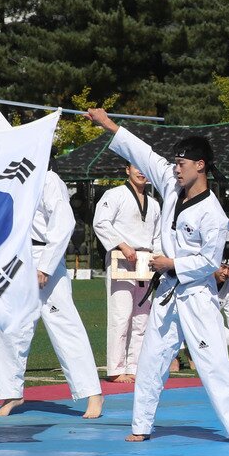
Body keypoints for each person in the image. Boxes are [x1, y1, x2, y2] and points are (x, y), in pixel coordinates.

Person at [85, 108, 229, 445]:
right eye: (175, 163)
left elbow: (209, 262)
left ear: (200, 165)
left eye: (182, 164)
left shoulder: (213, 214)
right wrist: (107, 125)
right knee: (151, 361)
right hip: (167, 294)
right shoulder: (170, 185)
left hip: (197, 295)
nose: (175, 169)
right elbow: (143, 154)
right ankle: (141, 425)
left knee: (213, 362)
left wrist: (171, 264)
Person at [0, 83, 104, 419]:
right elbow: (6, 135)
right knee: (10, 325)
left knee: (64, 323)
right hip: (15, 259)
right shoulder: (17, 175)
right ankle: (11, 394)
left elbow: (64, 224)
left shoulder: (49, 180)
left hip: (44, 257)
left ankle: (92, 393)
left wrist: (46, 265)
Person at [93, 162, 161, 384]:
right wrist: (122, 245)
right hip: (121, 259)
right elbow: (100, 223)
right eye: (136, 167)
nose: (141, 172)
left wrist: (158, 258)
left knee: (142, 318)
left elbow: (158, 236)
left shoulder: (154, 204)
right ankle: (116, 369)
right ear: (127, 170)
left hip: (145, 262)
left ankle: (135, 366)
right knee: (120, 315)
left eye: (144, 168)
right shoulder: (115, 195)